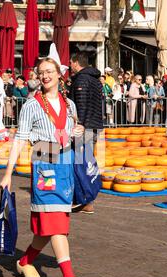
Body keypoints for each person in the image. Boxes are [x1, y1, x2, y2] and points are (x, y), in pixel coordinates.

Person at [0, 43, 86, 277]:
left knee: (49, 224)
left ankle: (24, 261)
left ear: (60, 74)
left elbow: (70, 134)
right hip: (44, 166)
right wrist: (7, 174)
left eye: (49, 71)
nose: (45, 76)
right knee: (56, 223)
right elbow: (19, 139)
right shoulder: (31, 105)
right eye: (41, 72)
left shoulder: (70, 105)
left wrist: (76, 133)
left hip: (66, 166)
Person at [69, 51, 103, 214]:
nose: (69, 65)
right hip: (94, 125)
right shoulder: (96, 80)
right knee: (87, 163)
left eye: (70, 62)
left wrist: (79, 124)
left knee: (80, 164)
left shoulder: (82, 79)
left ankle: (85, 200)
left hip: (85, 128)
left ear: (76, 63)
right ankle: (86, 199)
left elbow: (81, 104)